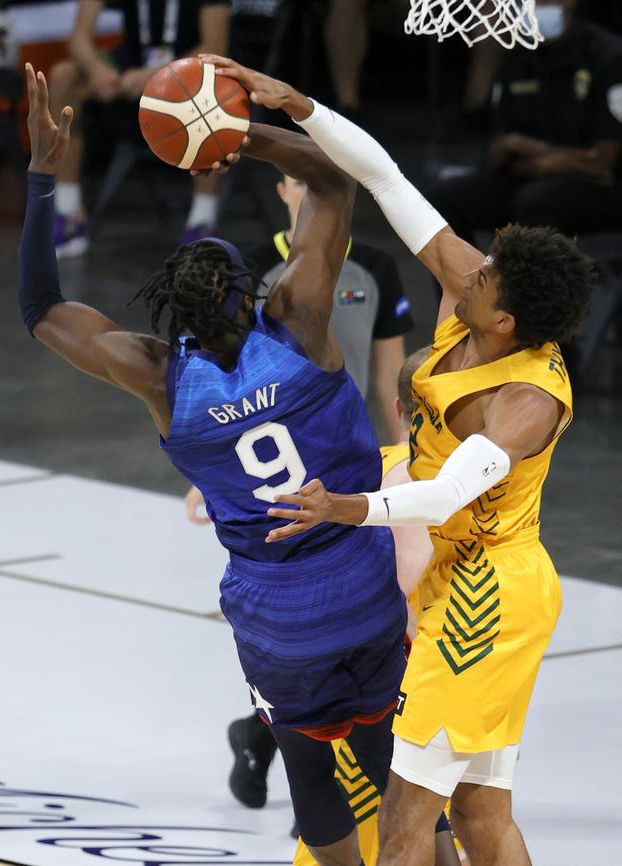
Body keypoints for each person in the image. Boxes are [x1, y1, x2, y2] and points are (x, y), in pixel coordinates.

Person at [197, 53, 595, 866]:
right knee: (482, 819)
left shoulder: (526, 401)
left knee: (409, 819)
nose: (465, 265)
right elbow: (382, 176)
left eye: (482, 274)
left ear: (507, 319)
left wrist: (348, 508)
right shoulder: (483, 302)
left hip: (489, 595)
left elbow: (447, 493)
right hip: (452, 569)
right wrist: (296, 105)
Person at [20, 62, 408, 866]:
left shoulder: (160, 376)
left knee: (307, 763)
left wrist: (40, 177)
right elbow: (334, 184)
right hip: (363, 582)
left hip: (273, 612)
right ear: (252, 290)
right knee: (389, 761)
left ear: (175, 309)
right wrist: (239, 134)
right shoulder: (298, 322)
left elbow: (42, 311)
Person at [228, 348, 463, 866]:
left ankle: (255, 736)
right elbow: (402, 583)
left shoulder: (359, 459)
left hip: (290, 624)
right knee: (396, 773)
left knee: (309, 768)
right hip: (391, 651)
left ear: (400, 411)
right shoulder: (446, 479)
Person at [185, 172, 412, 520]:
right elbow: (230, 372)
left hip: (347, 438)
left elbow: (390, 372)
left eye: (318, 180)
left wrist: (405, 445)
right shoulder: (250, 269)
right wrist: (211, 472)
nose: (312, 190)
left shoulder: (376, 267)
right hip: (274, 445)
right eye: (300, 182)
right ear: (282, 191)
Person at [47, 0, 230, 257]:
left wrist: (155, 75)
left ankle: (203, 221)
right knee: (64, 76)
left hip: (187, 66)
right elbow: (79, 37)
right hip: (130, 68)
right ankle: (67, 214)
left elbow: (214, 47)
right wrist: (96, 69)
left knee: (211, 83)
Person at [427, 0, 622, 238]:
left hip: (597, 187)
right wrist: (525, 156)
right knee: (445, 197)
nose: (539, 5)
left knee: (534, 201)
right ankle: (462, 275)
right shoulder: (516, 55)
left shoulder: (608, 57)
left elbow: (601, 162)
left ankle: (538, 275)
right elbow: (499, 147)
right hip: (527, 173)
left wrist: (536, 152)